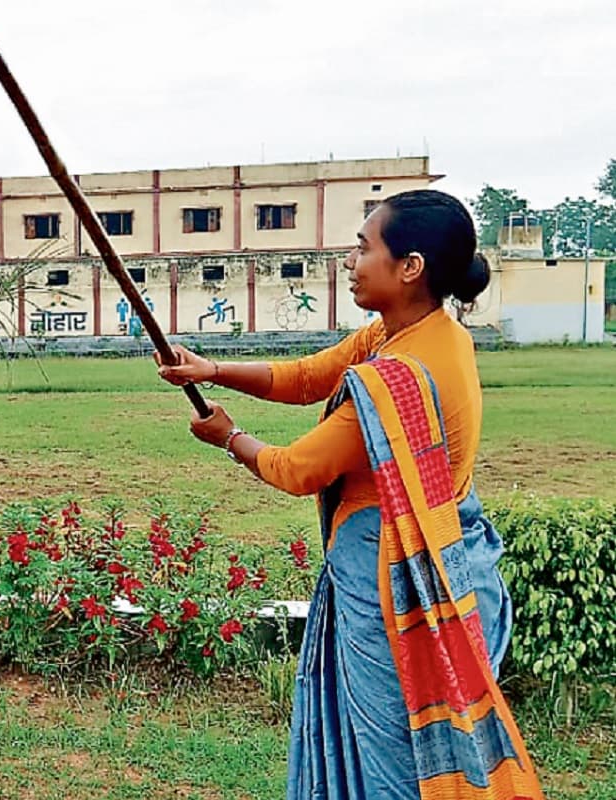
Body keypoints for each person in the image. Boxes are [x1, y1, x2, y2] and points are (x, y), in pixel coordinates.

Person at [156, 190, 543, 799]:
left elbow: (296, 469)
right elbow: (309, 377)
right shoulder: (422, 334)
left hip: (396, 587)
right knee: (412, 745)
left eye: (364, 248)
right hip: (447, 563)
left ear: (409, 266)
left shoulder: (399, 378)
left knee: (396, 752)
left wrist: (228, 436)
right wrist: (212, 370)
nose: (351, 261)